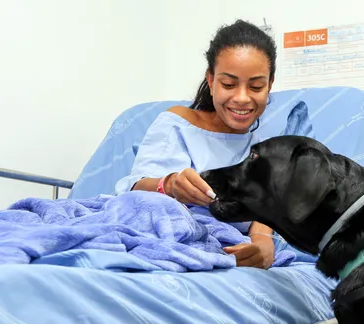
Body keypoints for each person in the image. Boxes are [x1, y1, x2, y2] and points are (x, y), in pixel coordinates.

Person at [115, 20, 292, 269]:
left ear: (269, 85)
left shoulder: (264, 155)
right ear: (211, 81)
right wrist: (170, 185)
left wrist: (263, 244)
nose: (242, 98)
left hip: (219, 250)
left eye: (256, 86)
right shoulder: (177, 123)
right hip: (160, 235)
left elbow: (265, 211)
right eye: (228, 84)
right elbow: (134, 192)